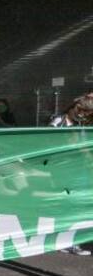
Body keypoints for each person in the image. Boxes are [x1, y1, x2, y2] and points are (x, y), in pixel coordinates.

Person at [50, 93, 93, 255]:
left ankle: (72, 240)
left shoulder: (81, 123)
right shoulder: (58, 122)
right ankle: (65, 240)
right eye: (82, 111)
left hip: (79, 169)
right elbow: (53, 144)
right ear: (75, 108)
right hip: (64, 169)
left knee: (77, 205)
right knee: (67, 204)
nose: (83, 115)